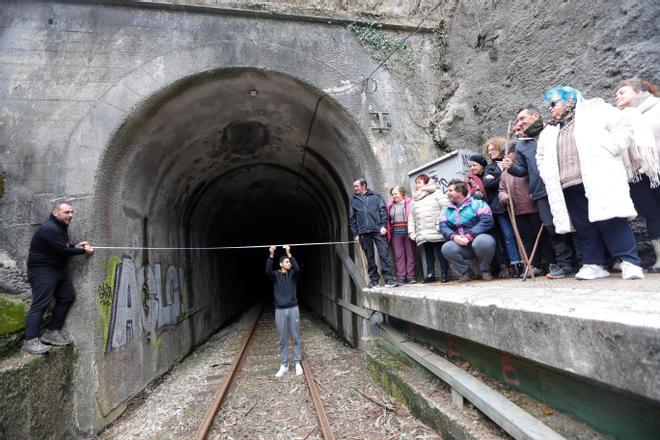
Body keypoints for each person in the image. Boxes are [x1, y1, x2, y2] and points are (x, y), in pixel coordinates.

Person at [537, 86, 644, 280]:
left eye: (554, 103)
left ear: (570, 100)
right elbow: (541, 156)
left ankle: (630, 262)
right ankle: (594, 264)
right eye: (549, 105)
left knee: (612, 218)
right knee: (584, 226)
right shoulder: (550, 131)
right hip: (568, 184)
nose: (550, 109)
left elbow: (623, 128)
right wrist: (547, 173)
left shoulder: (596, 111)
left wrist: (611, 148)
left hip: (598, 176)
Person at [502, 104, 579, 278]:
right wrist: (511, 167)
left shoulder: (553, 132)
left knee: (575, 222)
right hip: (540, 192)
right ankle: (566, 265)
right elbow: (523, 171)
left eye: (522, 119)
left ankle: (587, 261)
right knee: (552, 228)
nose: (519, 123)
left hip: (562, 185)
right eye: (518, 120)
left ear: (536, 115)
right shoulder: (521, 145)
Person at [22, 201, 94, 355]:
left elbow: (63, 245)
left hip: (57, 269)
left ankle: (52, 332)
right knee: (40, 304)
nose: (70, 215)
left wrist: (75, 246)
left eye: (72, 212)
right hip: (42, 270)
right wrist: (83, 251)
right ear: (56, 213)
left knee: (68, 297)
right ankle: (30, 341)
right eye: (67, 212)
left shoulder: (60, 227)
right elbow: (62, 249)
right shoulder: (49, 228)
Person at [614, 78, 660, 272]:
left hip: (656, 167)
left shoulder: (657, 108)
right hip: (636, 174)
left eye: (622, 92)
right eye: (616, 94)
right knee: (651, 214)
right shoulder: (618, 118)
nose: (617, 96)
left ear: (640, 91)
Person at [440, 179, 496, 282]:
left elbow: (487, 221)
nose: (447, 193)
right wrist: (454, 236)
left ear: (460, 191)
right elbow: (443, 227)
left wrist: (470, 235)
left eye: (450, 190)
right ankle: (466, 273)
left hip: (478, 242)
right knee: (446, 248)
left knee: (483, 241)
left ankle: (485, 270)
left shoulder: (478, 204)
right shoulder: (446, 210)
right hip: (462, 245)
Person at [466, 154, 512, 278]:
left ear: (482, 165)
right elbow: (467, 193)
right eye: (470, 166)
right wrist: (473, 193)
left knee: (506, 237)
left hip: (497, 210)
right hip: (484, 215)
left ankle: (511, 265)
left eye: (474, 165)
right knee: (494, 240)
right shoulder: (470, 179)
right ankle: (500, 267)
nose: (472, 168)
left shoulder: (490, 171)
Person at [483, 138, 523, 277]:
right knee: (508, 235)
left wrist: (506, 170)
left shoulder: (512, 161)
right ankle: (516, 264)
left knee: (522, 233)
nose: (490, 153)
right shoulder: (489, 167)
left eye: (493, 149)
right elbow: (488, 184)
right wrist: (504, 172)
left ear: (501, 148)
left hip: (518, 202)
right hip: (499, 207)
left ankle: (530, 261)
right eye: (489, 151)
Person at [500, 144, 543, 273]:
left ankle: (550, 263)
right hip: (518, 211)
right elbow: (501, 189)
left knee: (541, 237)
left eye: (508, 154)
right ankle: (534, 265)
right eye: (504, 155)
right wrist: (504, 196)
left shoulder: (525, 167)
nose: (505, 158)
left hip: (533, 207)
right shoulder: (505, 173)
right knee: (526, 240)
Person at [349, 178, 399, 288]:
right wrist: (355, 234)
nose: (355, 188)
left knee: (384, 254)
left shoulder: (376, 196)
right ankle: (374, 280)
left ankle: (389, 279)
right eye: (354, 186)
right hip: (363, 232)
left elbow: (383, 211)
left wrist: (383, 226)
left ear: (363, 186)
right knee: (369, 257)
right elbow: (352, 218)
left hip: (378, 230)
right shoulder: (353, 200)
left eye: (357, 186)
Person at [266, 245, 303, 378]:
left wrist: (289, 254)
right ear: (281, 264)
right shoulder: (275, 275)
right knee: (282, 339)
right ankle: (284, 365)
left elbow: (297, 268)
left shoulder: (293, 274)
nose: (289, 264)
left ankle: (298, 362)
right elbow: (268, 271)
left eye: (289, 261)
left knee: (296, 336)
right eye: (287, 262)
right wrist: (271, 254)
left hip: (293, 308)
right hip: (280, 310)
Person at [408, 174, 450, 283]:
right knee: (428, 253)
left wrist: (439, 224)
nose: (417, 185)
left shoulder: (436, 192)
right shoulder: (415, 198)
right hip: (423, 231)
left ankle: (444, 273)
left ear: (426, 183)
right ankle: (431, 274)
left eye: (419, 182)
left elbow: (445, 207)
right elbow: (411, 217)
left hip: (436, 229)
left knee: (441, 251)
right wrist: (412, 232)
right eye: (416, 183)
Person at [386, 186, 416, 284]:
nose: (394, 196)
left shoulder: (410, 203)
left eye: (396, 194)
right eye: (393, 194)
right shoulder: (390, 205)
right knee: (398, 256)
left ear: (402, 193)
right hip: (396, 233)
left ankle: (411, 276)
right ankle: (401, 277)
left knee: (410, 254)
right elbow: (387, 219)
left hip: (408, 232)